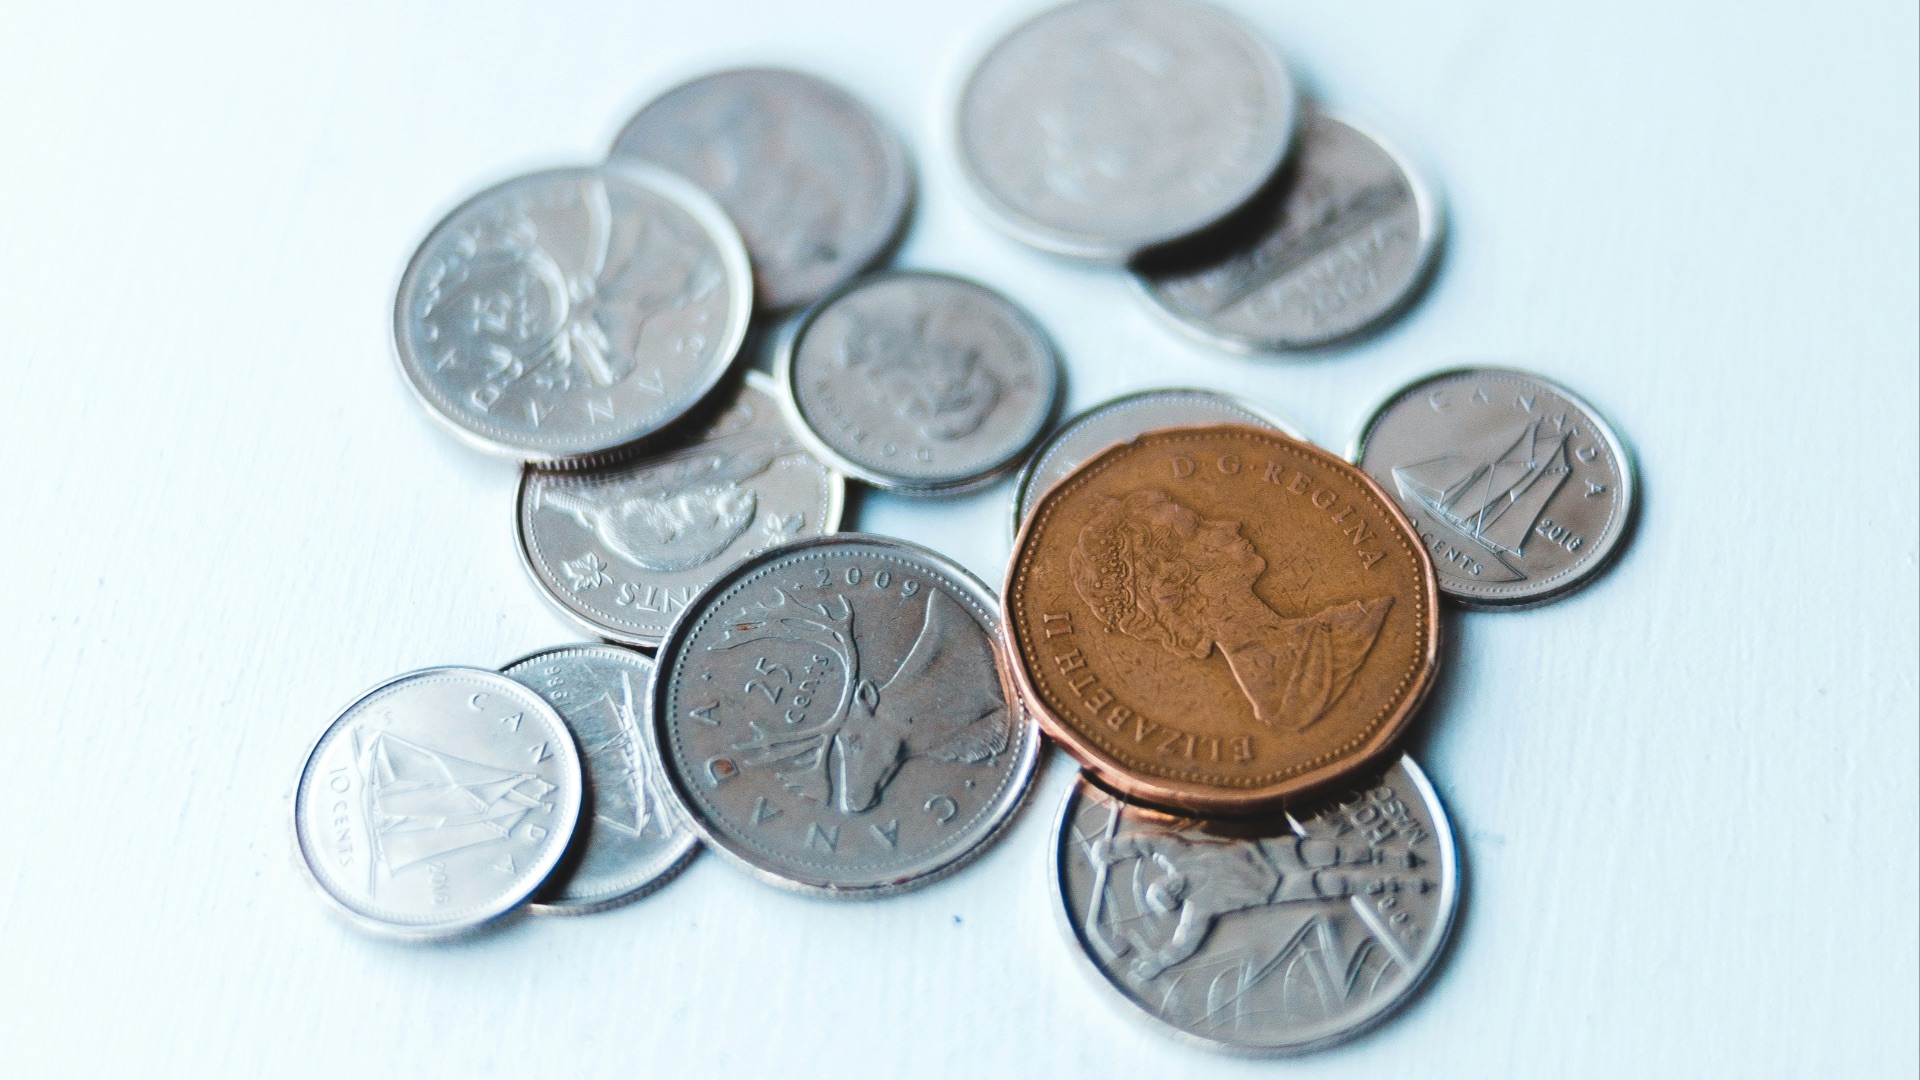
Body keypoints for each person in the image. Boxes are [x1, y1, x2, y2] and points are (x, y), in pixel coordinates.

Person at [1070, 489, 1390, 730]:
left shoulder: (1327, 631)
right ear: (1174, 580)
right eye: (1198, 527)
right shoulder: (1288, 698)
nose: (1231, 524)